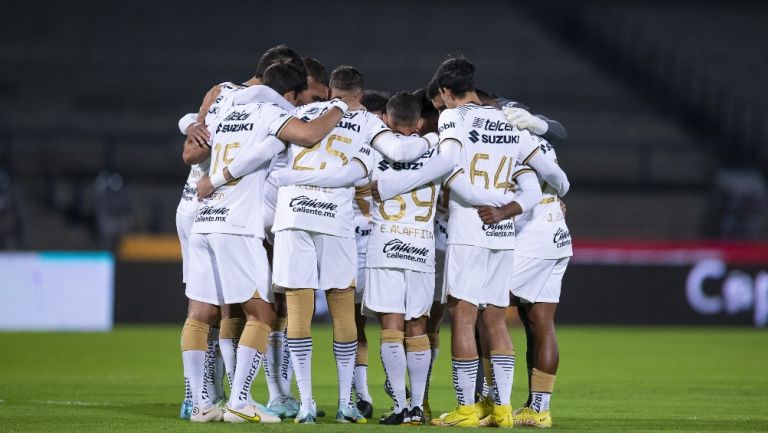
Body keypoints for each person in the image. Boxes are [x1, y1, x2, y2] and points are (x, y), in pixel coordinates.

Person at [372, 57, 570, 428]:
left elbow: (448, 166)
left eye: (440, 101)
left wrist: (479, 201)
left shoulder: (453, 119)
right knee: (496, 320)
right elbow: (549, 180)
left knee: (463, 318)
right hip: (503, 231)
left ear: (446, 92)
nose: (439, 108)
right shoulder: (508, 122)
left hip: (470, 228)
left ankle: (465, 409)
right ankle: (503, 409)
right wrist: (509, 207)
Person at [268, 65, 436, 424]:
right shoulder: (369, 123)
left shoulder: (299, 113)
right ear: (360, 95)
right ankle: (346, 403)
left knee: (299, 310)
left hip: (294, 216)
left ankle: (307, 403)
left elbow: (269, 160)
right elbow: (402, 154)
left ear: (329, 91)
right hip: (335, 219)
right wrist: (435, 141)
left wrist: (288, 180)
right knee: (343, 308)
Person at [477, 135, 572, 428]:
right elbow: (556, 182)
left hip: (530, 238)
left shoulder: (506, 143)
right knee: (540, 321)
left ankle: (492, 400)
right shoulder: (544, 145)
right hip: (556, 234)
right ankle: (538, 409)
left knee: (485, 310)